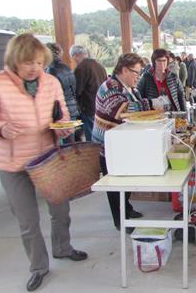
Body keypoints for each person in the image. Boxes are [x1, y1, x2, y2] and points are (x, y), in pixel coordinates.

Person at [0, 34, 88, 292]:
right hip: (13, 164)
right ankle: (39, 266)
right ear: (14, 61)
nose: (34, 68)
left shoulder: (51, 81)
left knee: (61, 210)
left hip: (48, 158)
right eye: (28, 63)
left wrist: (63, 129)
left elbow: (63, 114)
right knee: (27, 220)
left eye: (39, 63)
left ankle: (63, 247)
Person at [93, 53, 149, 234]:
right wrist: (151, 103)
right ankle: (120, 220)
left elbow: (139, 104)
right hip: (108, 145)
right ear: (124, 69)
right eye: (136, 73)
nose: (138, 77)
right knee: (115, 184)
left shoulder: (130, 87)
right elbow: (123, 110)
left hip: (123, 144)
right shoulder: (110, 87)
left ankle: (127, 208)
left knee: (126, 180)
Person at [46, 43, 80, 141]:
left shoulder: (51, 71)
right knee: (70, 140)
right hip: (73, 106)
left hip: (61, 110)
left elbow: (52, 94)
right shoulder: (67, 67)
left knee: (64, 143)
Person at [73, 48, 108, 141]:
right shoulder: (100, 66)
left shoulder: (81, 67)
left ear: (76, 55)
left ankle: (93, 154)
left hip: (88, 106)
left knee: (91, 137)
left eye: (73, 57)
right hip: (102, 105)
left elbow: (77, 90)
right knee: (99, 136)